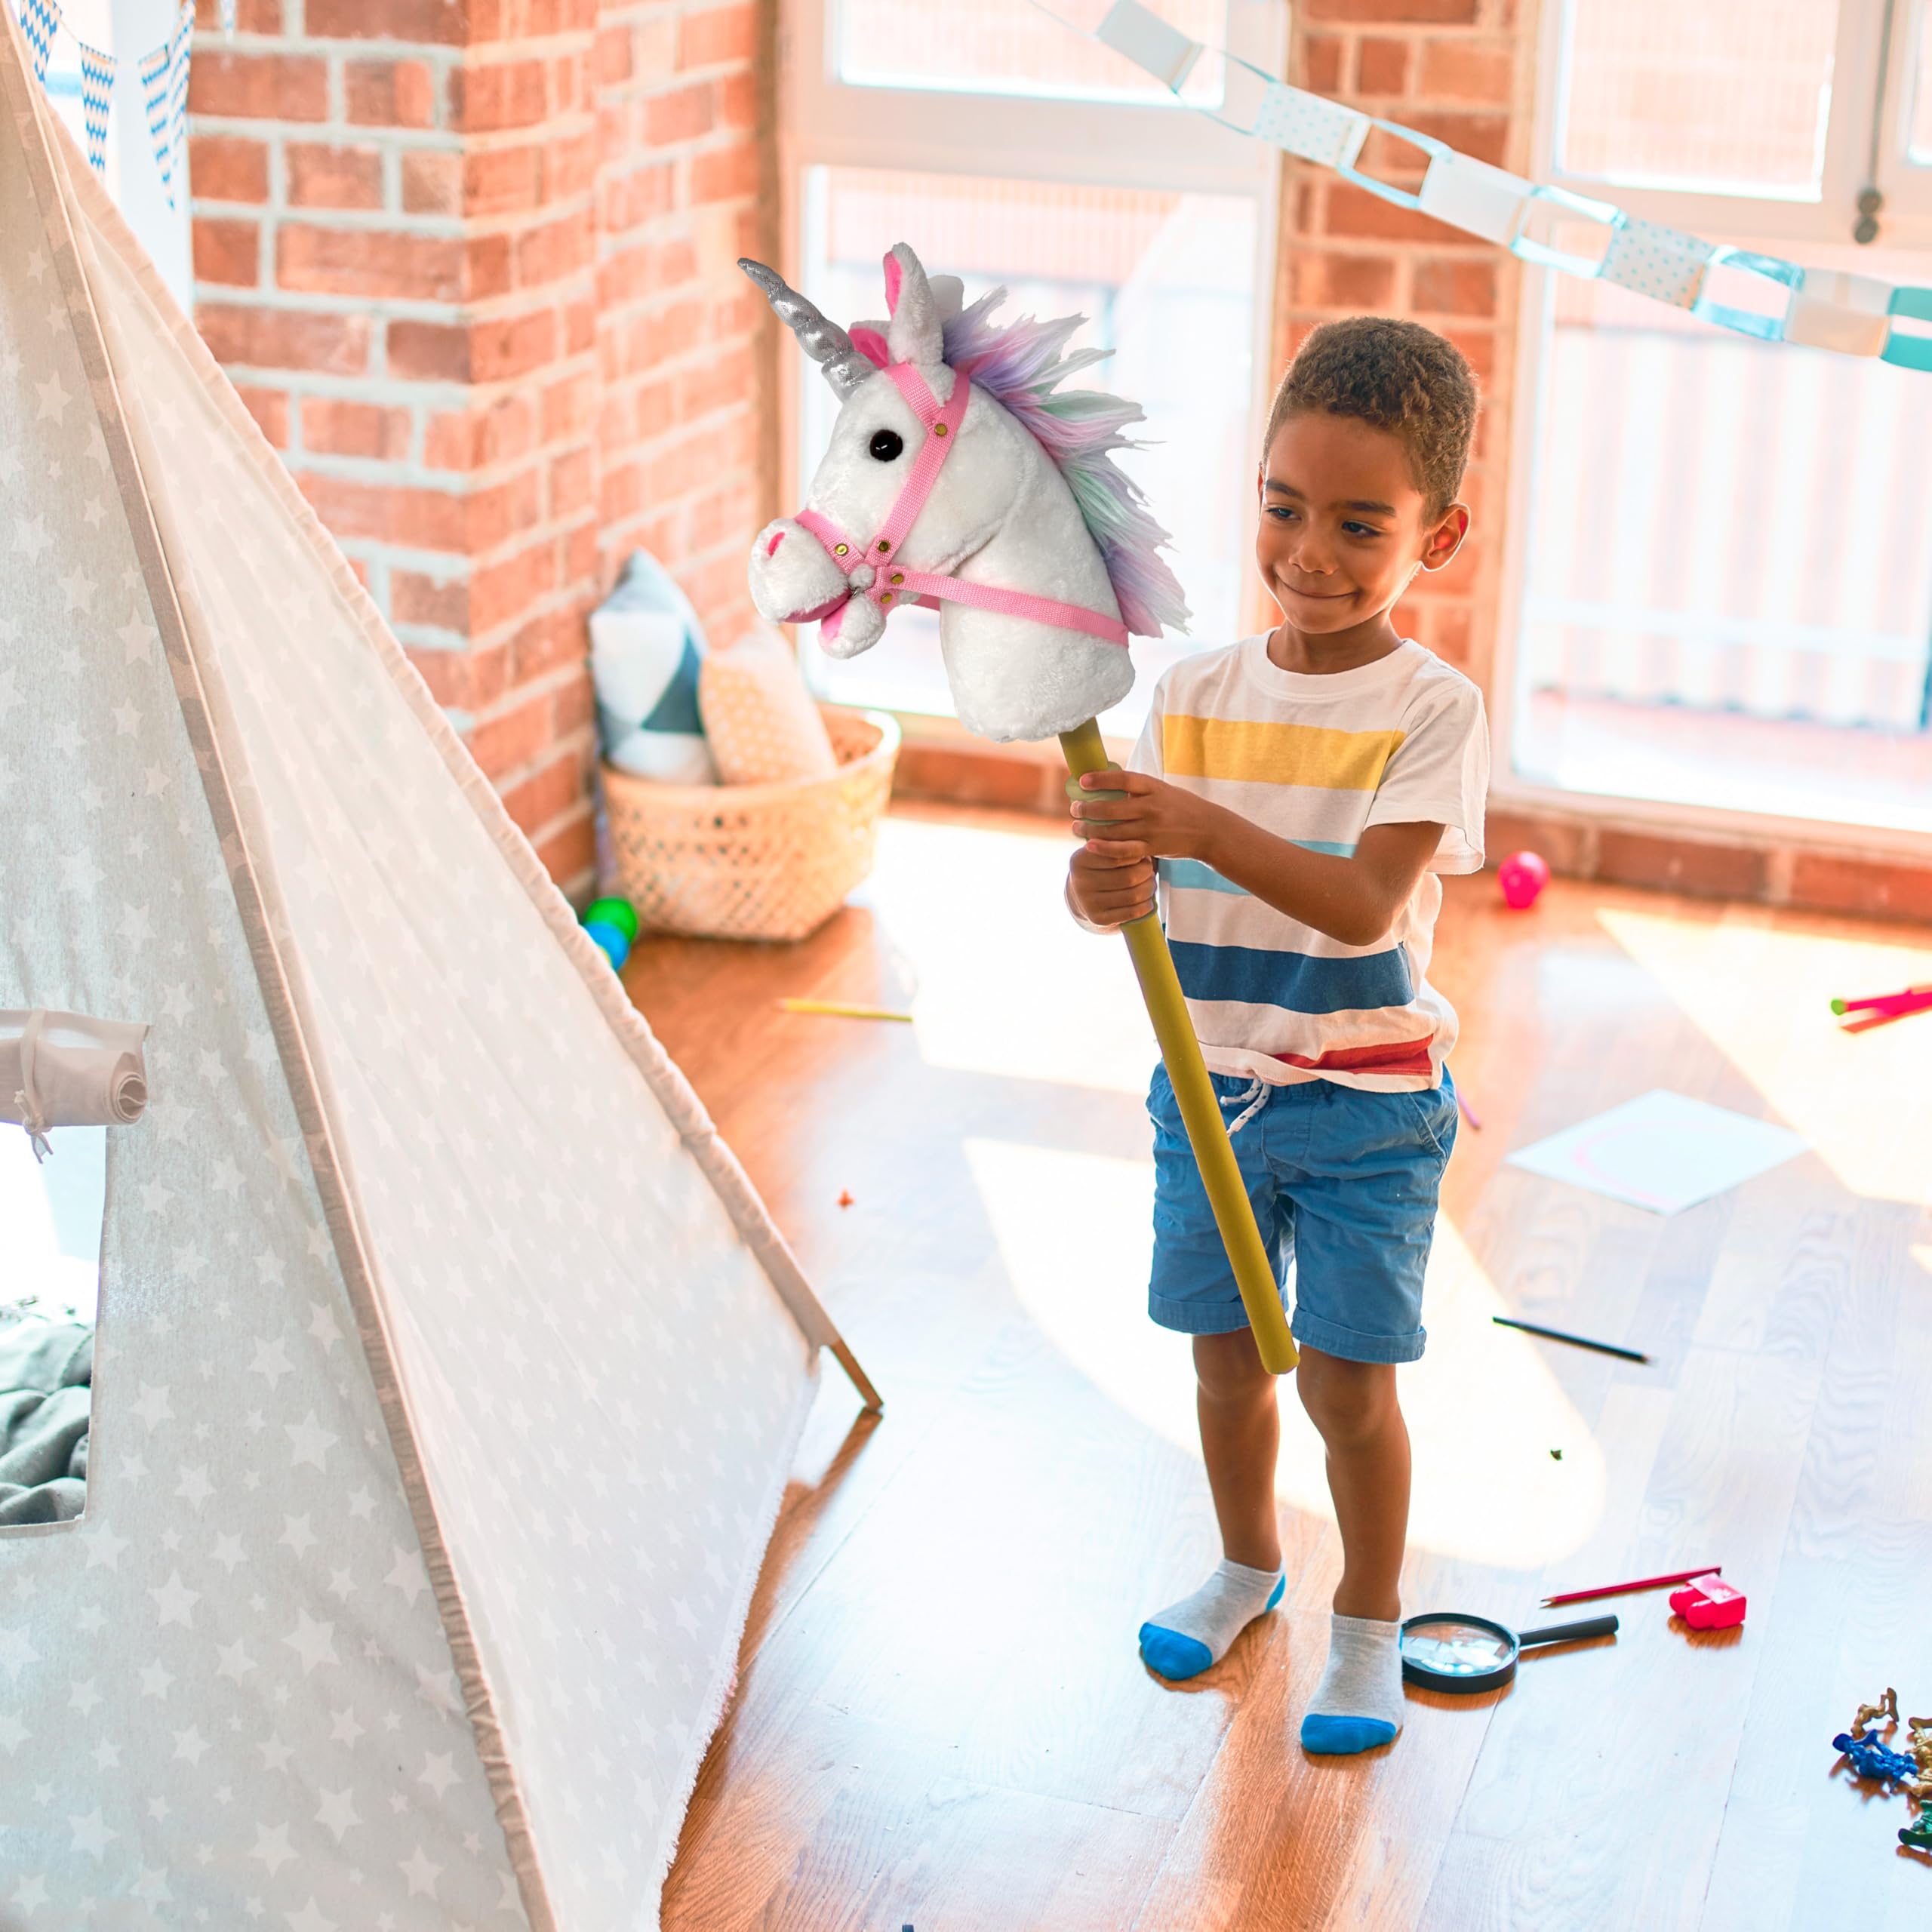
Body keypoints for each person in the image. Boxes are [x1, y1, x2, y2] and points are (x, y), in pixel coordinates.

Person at [1066, 316, 1488, 1755]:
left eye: (1361, 525)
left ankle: (1366, 1627)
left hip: (1368, 1107)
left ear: (1436, 537)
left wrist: (1196, 825)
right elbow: (1136, 890)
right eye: (1284, 507)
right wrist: (1101, 884)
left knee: (1350, 1386)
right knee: (1227, 1364)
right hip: (1210, 1090)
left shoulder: (1432, 709)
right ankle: (1249, 1567)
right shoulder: (1191, 693)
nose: (1311, 553)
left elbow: (1365, 907)